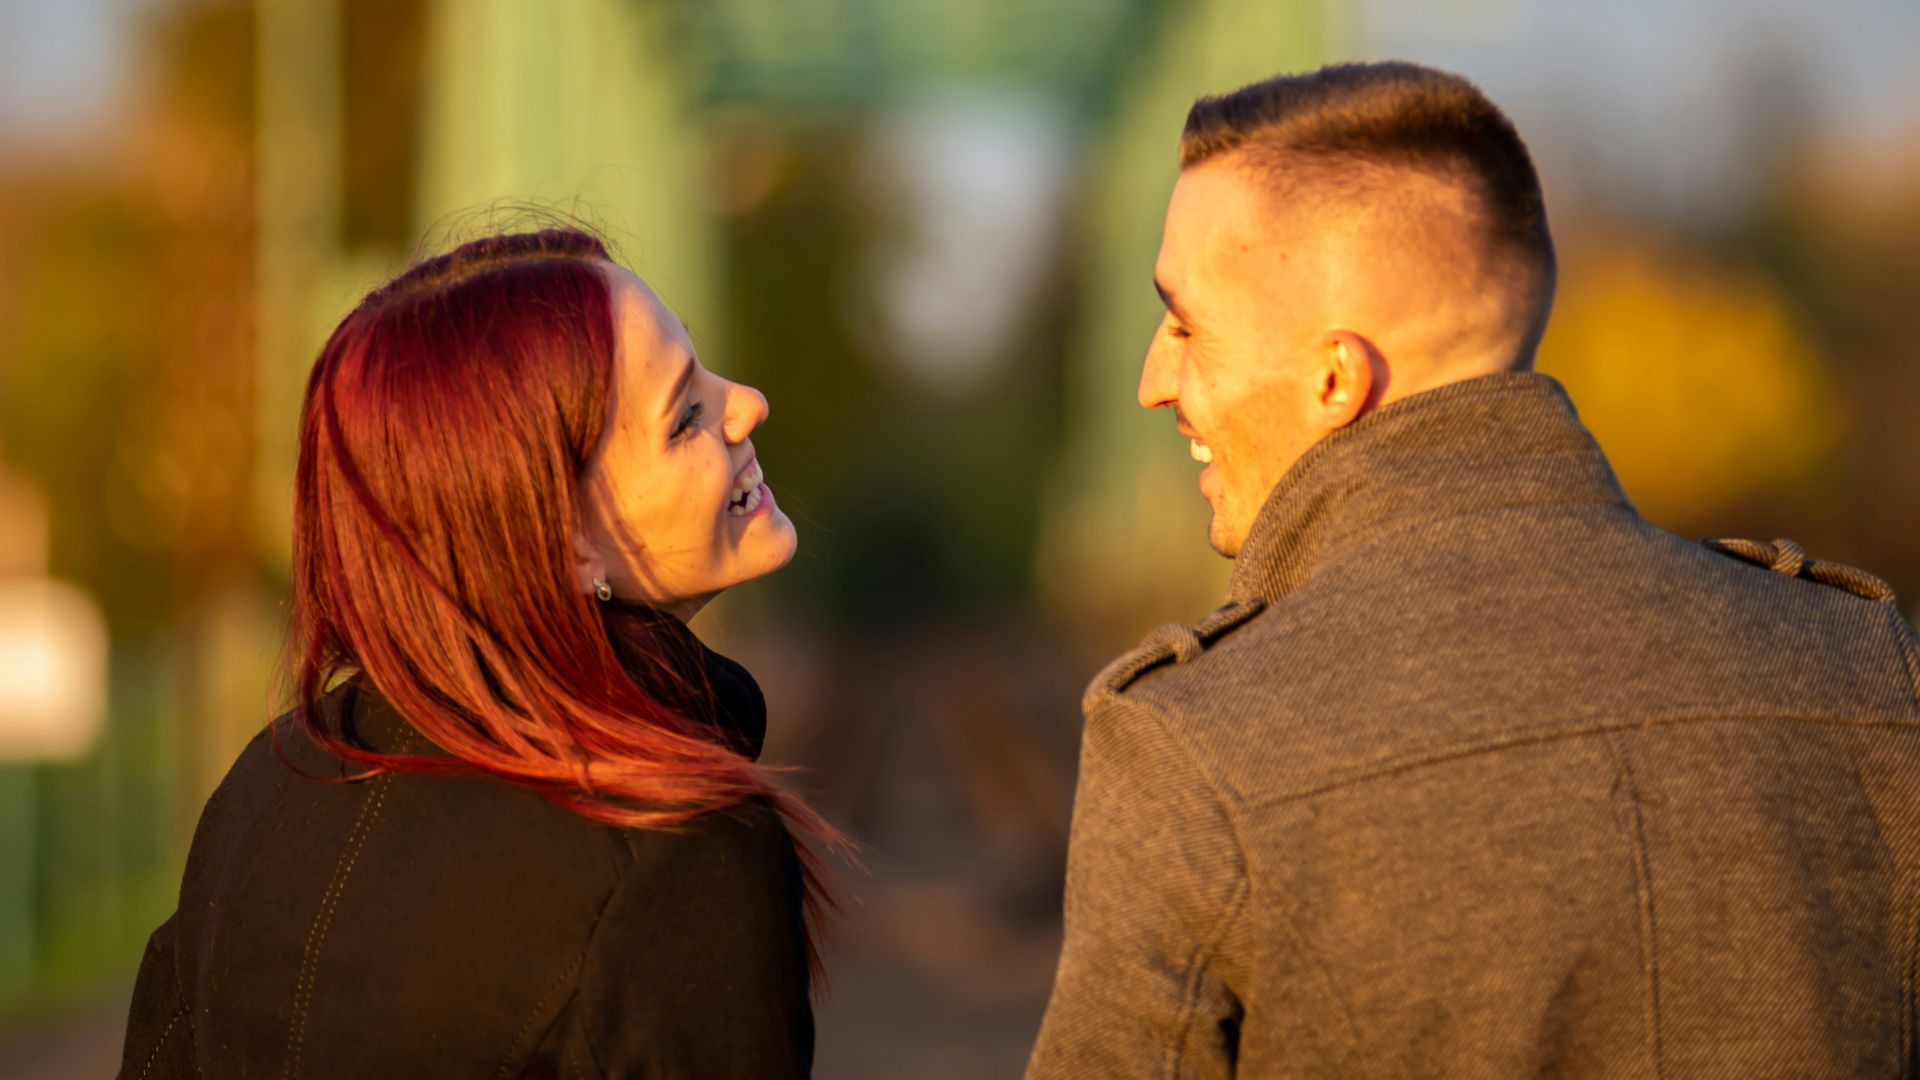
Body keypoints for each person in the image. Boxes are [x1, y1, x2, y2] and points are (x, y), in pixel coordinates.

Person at [1028, 61, 1920, 1077]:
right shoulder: (1867, 669)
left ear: (1336, 377)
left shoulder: (1194, 746)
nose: (1152, 381)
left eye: (1185, 324)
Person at [119, 228, 837, 1078]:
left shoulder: (264, 791)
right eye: (685, 417)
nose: (746, 403)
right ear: (560, 543)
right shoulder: (677, 851)